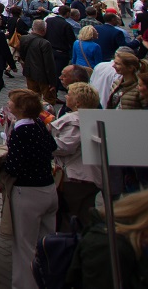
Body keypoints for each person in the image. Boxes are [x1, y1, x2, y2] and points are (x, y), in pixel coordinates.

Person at [3, 88, 58, 289]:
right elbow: (52, 147)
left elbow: (14, 166)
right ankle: (49, 280)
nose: (8, 105)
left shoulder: (21, 130)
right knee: (47, 242)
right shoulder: (39, 124)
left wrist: (3, 163)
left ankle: (25, 285)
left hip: (28, 191)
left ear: (21, 108)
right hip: (48, 187)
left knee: (25, 245)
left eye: (11, 103)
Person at [49, 82, 104, 229]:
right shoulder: (93, 117)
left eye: (70, 94)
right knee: (84, 216)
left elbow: (64, 146)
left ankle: (70, 248)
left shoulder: (75, 121)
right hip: (90, 175)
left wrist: (44, 142)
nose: (66, 96)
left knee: (71, 217)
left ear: (78, 102)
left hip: (76, 177)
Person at [19, 19, 58, 103]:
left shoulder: (23, 38)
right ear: (44, 30)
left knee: (33, 97)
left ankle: (33, 114)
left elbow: (22, 55)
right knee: (49, 99)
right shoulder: (45, 43)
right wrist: (53, 82)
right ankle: (46, 115)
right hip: (43, 75)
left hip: (29, 72)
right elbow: (49, 64)